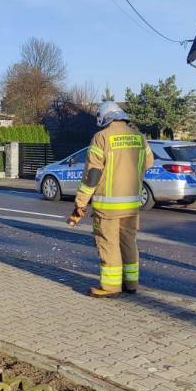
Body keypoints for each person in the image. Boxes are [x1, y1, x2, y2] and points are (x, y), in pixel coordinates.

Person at [67, 101, 152, 298]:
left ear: (104, 118)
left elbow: (93, 175)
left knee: (109, 244)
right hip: (132, 204)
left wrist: (80, 203)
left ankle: (111, 287)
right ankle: (131, 283)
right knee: (128, 242)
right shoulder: (139, 137)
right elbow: (149, 161)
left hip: (108, 206)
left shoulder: (102, 137)